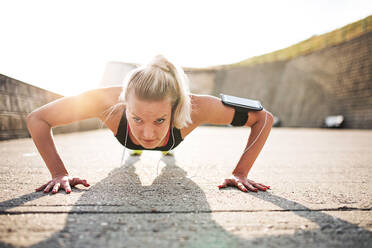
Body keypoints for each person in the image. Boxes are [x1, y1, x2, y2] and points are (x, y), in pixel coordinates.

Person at [26, 55, 274, 194]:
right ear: (123, 104)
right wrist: (59, 173)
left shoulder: (197, 107)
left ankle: (166, 151)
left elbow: (263, 118)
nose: (147, 133)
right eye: (137, 118)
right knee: (132, 156)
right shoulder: (103, 101)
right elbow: (37, 118)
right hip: (124, 138)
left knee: (168, 156)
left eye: (159, 120)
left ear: (177, 108)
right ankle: (136, 147)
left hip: (173, 140)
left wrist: (240, 172)